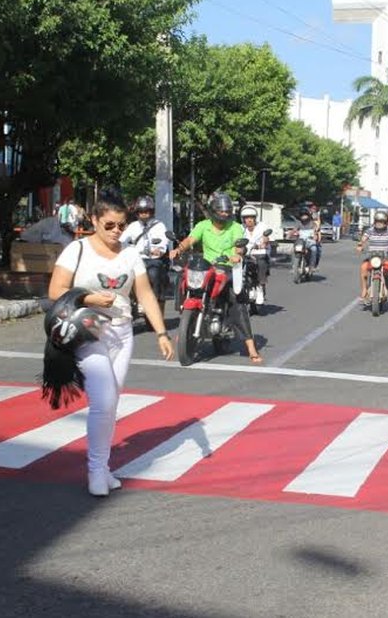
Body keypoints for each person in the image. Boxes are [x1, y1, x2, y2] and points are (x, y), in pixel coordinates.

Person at [46, 190, 174, 497]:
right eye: (109, 225)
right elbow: (56, 290)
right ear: (94, 220)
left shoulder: (130, 254)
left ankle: (103, 469)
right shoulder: (76, 250)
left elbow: (144, 295)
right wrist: (88, 298)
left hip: (122, 332)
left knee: (111, 402)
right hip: (88, 332)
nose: (116, 231)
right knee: (103, 401)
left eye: (121, 225)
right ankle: (94, 471)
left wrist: (161, 333)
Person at [169, 192, 263, 363]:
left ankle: (250, 346)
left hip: (226, 267)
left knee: (236, 299)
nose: (224, 215)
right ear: (213, 211)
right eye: (221, 212)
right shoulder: (203, 225)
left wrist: (237, 254)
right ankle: (185, 324)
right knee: (182, 280)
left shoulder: (235, 227)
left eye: (227, 212)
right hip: (205, 266)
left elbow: (239, 245)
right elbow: (190, 240)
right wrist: (179, 249)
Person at [355, 210, 388, 303]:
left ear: (386, 222)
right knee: (363, 267)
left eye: (381, 222)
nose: (379, 224)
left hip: (386, 258)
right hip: (372, 257)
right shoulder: (370, 230)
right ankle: (364, 289)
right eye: (377, 221)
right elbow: (364, 238)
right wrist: (360, 244)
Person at [241, 206, 271, 299]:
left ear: (255, 218)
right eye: (246, 218)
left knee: (261, 262)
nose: (249, 220)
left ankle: (260, 286)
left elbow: (266, 238)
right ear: (243, 219)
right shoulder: (240, 228)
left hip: (260, 252)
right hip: (245, 253)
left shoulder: (262, 226)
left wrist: (263, 243)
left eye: (251, 217)